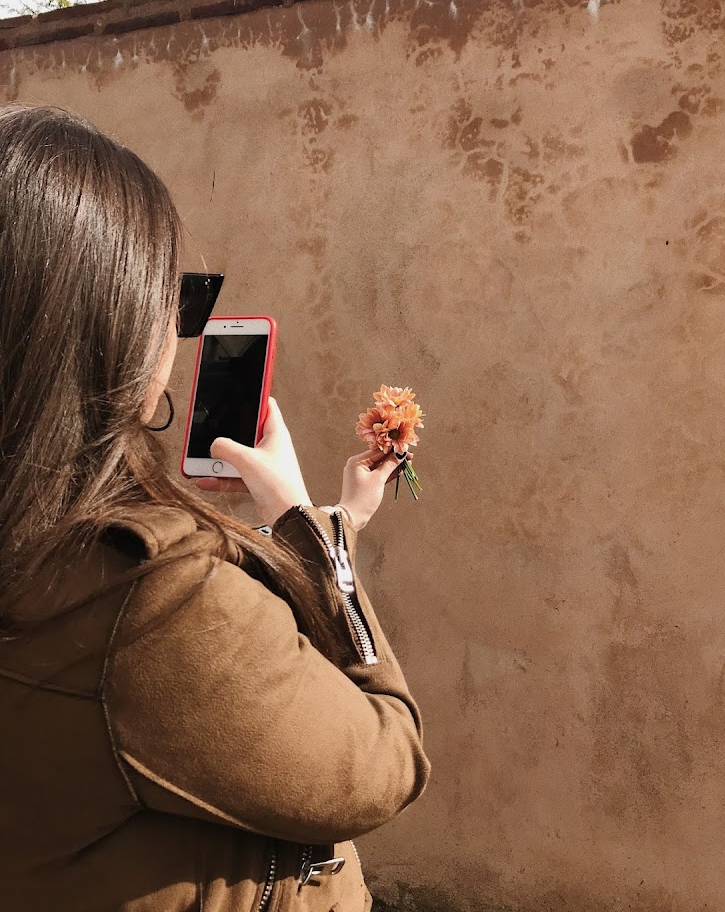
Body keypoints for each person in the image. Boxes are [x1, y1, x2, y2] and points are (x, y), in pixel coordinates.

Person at [0, 103, 430, 912]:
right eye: (178, 299)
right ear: (111, 325)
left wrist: (336, 520)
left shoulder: (41, 554)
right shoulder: (152, 599)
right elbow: (388, 755)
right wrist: (311, 533)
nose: (182, 326)